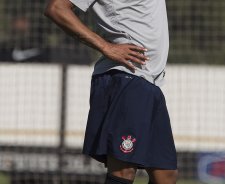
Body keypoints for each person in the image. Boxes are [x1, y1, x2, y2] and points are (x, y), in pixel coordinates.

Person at [45, 0, 178, 183]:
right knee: (123, 170)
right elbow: (56, 8)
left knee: (166, 175)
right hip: (126, 78)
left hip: (151, 84)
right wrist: (106, 46)